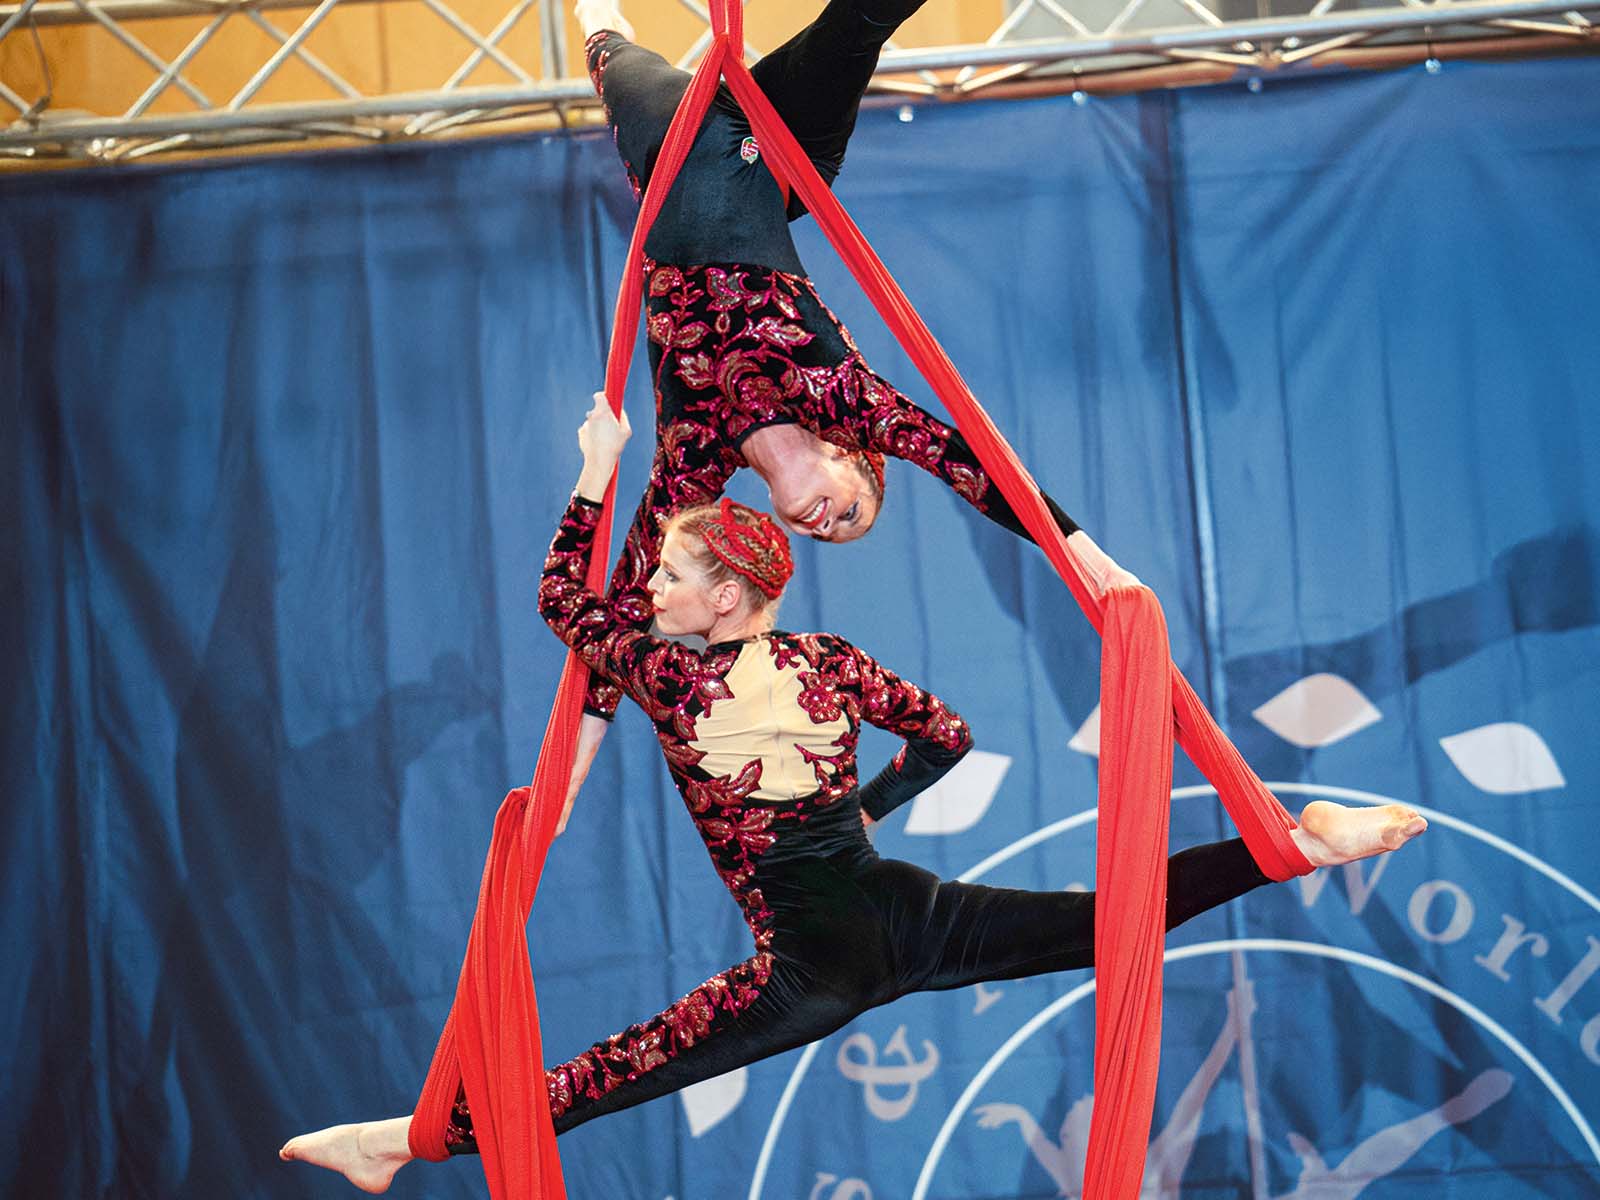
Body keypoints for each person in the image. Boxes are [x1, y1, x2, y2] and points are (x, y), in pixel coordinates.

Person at [279, 398, 1428, 1193]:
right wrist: (870, 806)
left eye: (670, 576)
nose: (653, 592)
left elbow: (559, 598)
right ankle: (1291, 845)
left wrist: (595, 467)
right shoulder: (830, 661)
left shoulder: (667, 678)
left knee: (608, 1076)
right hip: (905, 911)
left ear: (724, 597)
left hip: (812, 967)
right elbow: (948, 735)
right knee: (1110, 922)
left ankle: (405, 1142)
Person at [565, 0, 1136, 809]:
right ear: (850, 455)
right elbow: (974, 467)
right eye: (849, 513)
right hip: (782, 161)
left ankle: (599, 21)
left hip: (672, 156)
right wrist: (1092, 562)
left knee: (604, 46)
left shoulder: (696, 456)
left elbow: (622, 611)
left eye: (826, 533)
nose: (824, 525)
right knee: (859, 22)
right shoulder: (837, 394)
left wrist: (574, 765)